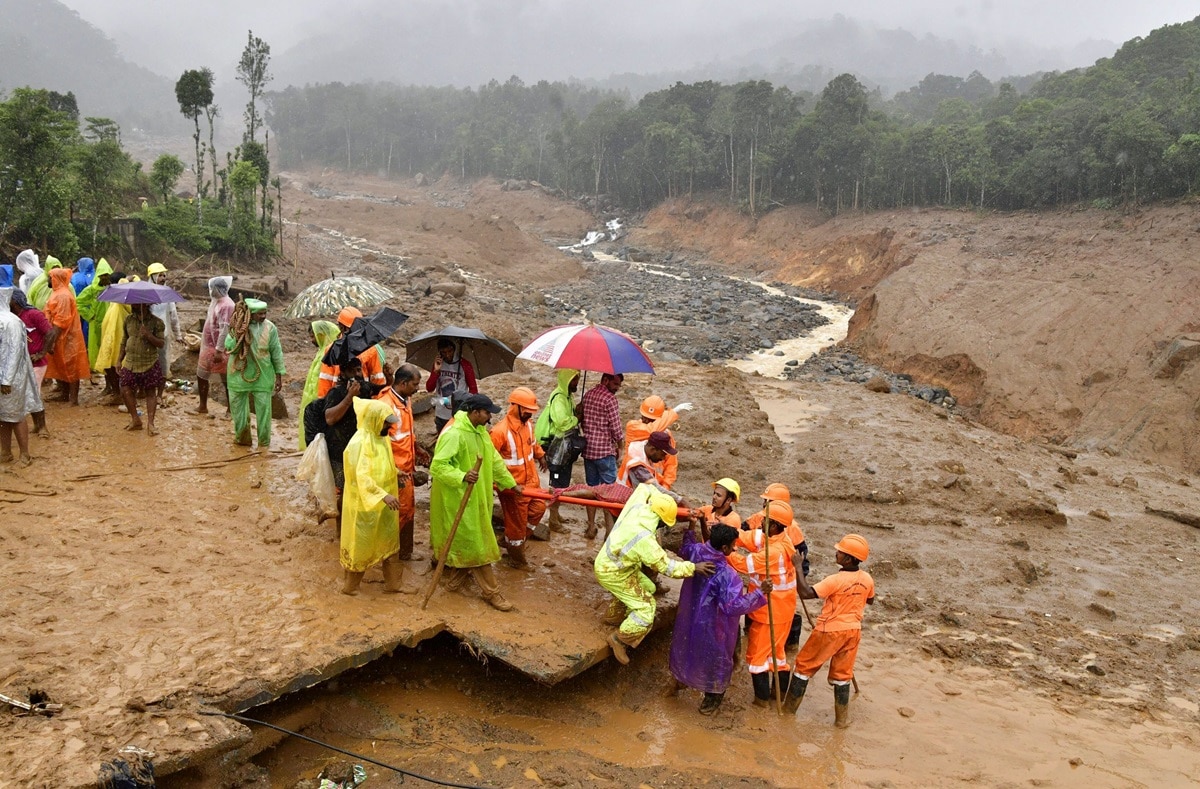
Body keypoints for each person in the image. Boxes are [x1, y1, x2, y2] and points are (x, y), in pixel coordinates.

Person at [595, 483, 714, 664]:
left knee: (648, 586)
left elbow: (646, 487)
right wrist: (693, 567)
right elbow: (667, 567)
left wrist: (678, 505)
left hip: (615, 563)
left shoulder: (639, 504)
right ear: (660, 521)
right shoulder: (645, 539)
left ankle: (613, 615)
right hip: (612, 571)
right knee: (646, 609)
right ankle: (620, 639)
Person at [429, 394, 518, 612]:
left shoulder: (480, 433)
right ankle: (492, 593)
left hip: (478, 497)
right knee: (478, 547)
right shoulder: (454, 434)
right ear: (475, 412)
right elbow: (438, 466)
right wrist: (461, 475)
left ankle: (453, 583)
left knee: (468, 543)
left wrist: (510, 483)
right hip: (458, 500)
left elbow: (494, 460)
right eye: (487, 413)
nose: (490, 418)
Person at [668, 522, 767, 715]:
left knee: (686, 648)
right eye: (732, 546)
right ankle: (711, 699)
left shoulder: (696, 552)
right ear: (724, 548)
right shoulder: (728, 575)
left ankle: (679, 681)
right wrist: (760, 594)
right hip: (714, 624)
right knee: (717, 660)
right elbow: (734, 607)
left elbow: (685, 548)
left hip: (689, 618)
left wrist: (690, 528)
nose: (735, 548)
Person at [783, 534, 875, 728]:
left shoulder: (835, 580)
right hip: (853, 631)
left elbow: (806, 593)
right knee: (842, 675)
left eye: (840, 552)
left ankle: (787, 713)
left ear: (848, 559)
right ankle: (841, 721)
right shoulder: (867, 578)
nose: (836, 553)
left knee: (803, 667)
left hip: (830, 630)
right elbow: (870, 599)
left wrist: (798, 566)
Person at [728, 500, 798, 708]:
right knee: (777, 655)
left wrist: (724, 549)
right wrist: (730, 533)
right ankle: (779, 696)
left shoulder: (775, 552)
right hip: (784, 611)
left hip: (769, 614)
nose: (761, 522)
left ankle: (761, 702)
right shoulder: (782, 539)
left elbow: (743, 564)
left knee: (757, 658)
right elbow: (750, 537)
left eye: (765, 520)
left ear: (774, 525)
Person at [339, 398, 405, 596]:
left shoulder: (381, 437)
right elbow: (362, 477)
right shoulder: (359, 443)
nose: (389, 427)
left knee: (390, 543)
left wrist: (396, 472)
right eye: (386, 423)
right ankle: (350, 588)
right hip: (364, 505)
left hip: (385, 503)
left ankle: (393, 585)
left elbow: (382, 463)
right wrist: (383, 495)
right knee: (362, 545)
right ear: (375, 420)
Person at [743, 483, 809, 648]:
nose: (764, 505)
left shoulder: (792, 528)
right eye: (765, 501)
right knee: (756, 604)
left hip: (782, 573)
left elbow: (801, 555)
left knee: (783, 609)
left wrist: (797, 575)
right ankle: (750, 633)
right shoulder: (760, 516)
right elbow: (744, 528)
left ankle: (789, 643)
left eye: (768, 501)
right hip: (763, 567)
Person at [490, 387, 547, 569]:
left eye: (532, 412)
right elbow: (489, 459)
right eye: (527, 411)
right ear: (515, 407)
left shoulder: (528, 425)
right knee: (516, 524)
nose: (530, 415)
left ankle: (513, 541)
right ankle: (517, 559)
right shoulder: (500, 431)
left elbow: (533, 444)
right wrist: (497, 484)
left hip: (531, 483)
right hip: (513, 488)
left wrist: (541, 455)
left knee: (539, 508)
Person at [375, 362, 428, 560]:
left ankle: (403, 553)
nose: (417, 389)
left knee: (408, 509)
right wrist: (393, 470)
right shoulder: (386, 406)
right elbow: (380, 442)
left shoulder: (405, 401)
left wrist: (417, 448)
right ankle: (389, 555)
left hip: (407, 466)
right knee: (396, 512)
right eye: (415, 384)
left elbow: (406, 433)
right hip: (394, 470)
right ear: (404, 383)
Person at [224, 299, 285, 449]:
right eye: (260, 314)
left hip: (263, 375)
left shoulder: (270, 328)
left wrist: (279, 375)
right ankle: (242, 439)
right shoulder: (237, 327)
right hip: (238, 374)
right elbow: (229, 347)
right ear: (250, 314)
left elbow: (276, 352)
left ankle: (264, 444)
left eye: (265, 313)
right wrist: (240, 335)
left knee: (264, 411)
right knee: (238, 410)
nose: (263, 316)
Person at [533, 368, 579, 534]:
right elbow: (562, 423)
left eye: (577, 379)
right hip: (556, 445)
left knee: (561, 481)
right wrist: (577, 418)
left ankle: (555, 514)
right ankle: (553, 519)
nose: (576, 383)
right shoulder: (560, 398)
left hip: (561, 444)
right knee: (557, 482)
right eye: (573, 379)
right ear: (566, 380)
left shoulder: (567, 396)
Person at [580, 372, 624, 537]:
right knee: (609, 494)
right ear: (606, 380)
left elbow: (582, 420)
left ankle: (591, 527)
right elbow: (616, 427)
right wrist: (620, 446)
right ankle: (609, 532)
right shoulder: (610, 399)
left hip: (589, 452)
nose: (617, 389)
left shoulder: (588, 394)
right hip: (605, 452)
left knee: (590, 491)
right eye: (615, 384)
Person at [0, 287, 41, 465]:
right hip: (4, 374)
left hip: (12, 377)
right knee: (2, 416)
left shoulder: (11, 322)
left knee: (15, 415)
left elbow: (15, 352)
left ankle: (25, 454)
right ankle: (6, 451)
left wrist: (7, 379)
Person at [617, 396, 693, 490]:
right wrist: (672, 412)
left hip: (655, 485)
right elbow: (652, 430)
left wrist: (665, 486)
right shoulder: (633, 427)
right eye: (644, 417)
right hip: (628, 486)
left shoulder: (666, 436)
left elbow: (671, 464)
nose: (646, 421)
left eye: (652, 420)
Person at [43, 268, 91, 406]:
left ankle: (73, 399)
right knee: (60, 365)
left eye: (50, 277)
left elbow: (61, 321)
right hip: (58, 336)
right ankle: (64, 394)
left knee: (71, 366)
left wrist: (50, 340)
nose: (48, 280)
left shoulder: (63, 296)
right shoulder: (57, 293)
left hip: (67, 337)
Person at [9, 290, 55, 435]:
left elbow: (50, 332)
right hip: (20, 362)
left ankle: (42, 427)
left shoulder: (33, 314)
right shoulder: (12, 317)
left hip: (36, 362)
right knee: (26, 394)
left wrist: (42, 352)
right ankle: (37, 426)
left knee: (34, 393)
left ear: (14, 301)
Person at [316, 306, 386, 398]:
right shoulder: (332, 350)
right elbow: (325, 381)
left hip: (362, 399)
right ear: (342, 328)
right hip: (339, 399)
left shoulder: (370, 350)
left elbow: (377, 379)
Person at [118, 304, 165, 434]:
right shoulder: (128, 320)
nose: (134, 305)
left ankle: (151, 424)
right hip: (130, 362)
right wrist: (119, 360)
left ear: (146, 305)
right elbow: (124, 340)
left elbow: (161, 344)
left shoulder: (157, 322)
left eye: (137, 303)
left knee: (150, 392)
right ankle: (135, 419)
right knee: (125, 389)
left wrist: (149, 335)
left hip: (149, 362)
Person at [193, 276, 235, 417]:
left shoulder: (227, 305)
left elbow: (225, 329)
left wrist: (219, 350)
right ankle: (203, 405)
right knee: (202, 375)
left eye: (210, 288)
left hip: (219, 348)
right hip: (209, 347)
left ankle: (231, 409)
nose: (209, 291)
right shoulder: (217, 302)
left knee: (226, 379)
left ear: (216, 289)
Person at [297, 320, 340, 448]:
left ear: (321, 335)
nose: (311, 340)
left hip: (325, 401)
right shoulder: (321, 351)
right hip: (315, 401)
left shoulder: (331, 353)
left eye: (313, 336)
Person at [425, 336, 478, 434]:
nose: (448, 355)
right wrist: (436, 371)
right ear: (439, 352)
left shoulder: (465, 365)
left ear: (454, 349)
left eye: (450, 351)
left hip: (459, 413)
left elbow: (473, 389)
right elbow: (429, 388)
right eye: (444, 352)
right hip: (441, 413)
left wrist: (470, 408)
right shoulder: (438, 364)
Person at [146, 263, 183, 400]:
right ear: (153, 276)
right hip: (148, 335)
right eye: (160, 275)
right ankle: (146, 392)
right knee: (147, 365)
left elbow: (173, 316)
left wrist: (178, 335)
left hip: (164, 335)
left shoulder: (167, 293)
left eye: (164, 275)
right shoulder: (146, 293)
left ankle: (159, 394)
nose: (163, 278)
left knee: (163, 364)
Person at [93, 276, 131, 403]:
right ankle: (117, 393)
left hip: (119, 340)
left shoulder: (124, 304)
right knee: (111, 367)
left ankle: (121, 395)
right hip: (111, 340)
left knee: (119, 367)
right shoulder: (114, 303)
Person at [75, 259, 113, 373]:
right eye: (102, 275)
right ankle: (101, 373)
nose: (105, 278)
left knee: (110, 351)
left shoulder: (113, 289)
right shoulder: (92, 290)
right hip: (96, 324)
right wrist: (90, 316)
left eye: (107, 275)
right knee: (97, 349)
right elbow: (79, 302)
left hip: (111, 323)